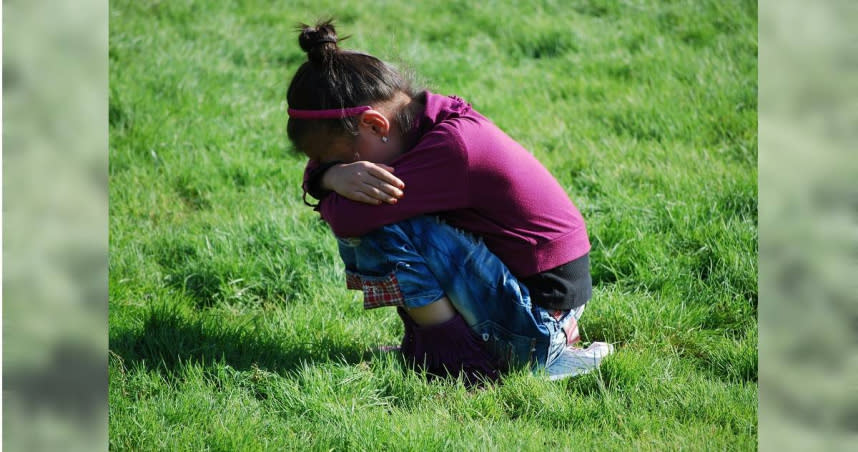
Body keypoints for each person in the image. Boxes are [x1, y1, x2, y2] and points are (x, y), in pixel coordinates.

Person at [286, 20, 612, 384]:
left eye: (344, 160)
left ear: (376, 126)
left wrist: (326, 184)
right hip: (540, 308)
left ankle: (458, 358)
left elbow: (348, 219)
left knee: (378, 220)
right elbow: (327, 185)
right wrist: (328, 176)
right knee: (379, 207)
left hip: (537, 325)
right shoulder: (423, 120)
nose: (348, 171)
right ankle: (441, 345)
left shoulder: (452, 149)